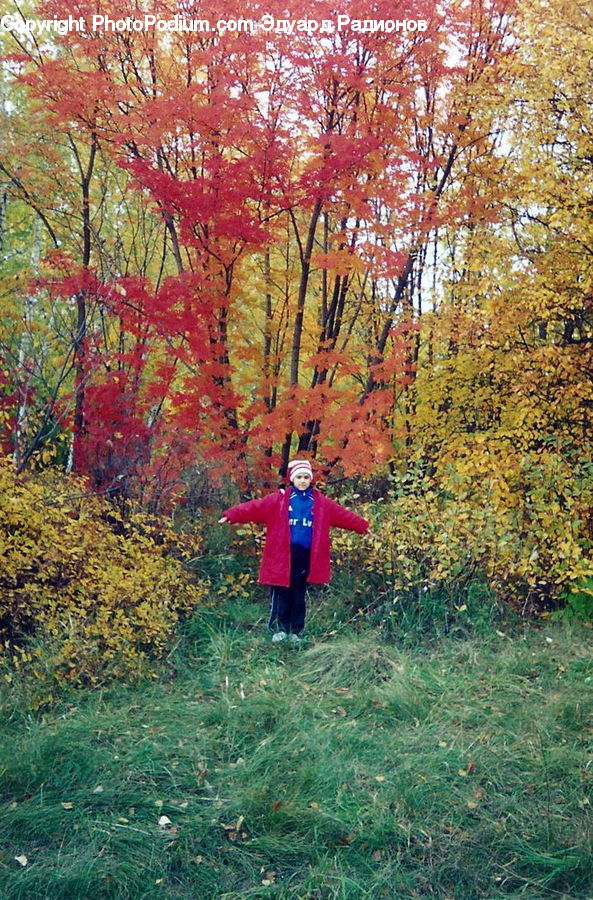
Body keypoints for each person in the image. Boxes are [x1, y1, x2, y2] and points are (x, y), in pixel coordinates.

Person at [218, 460, 369, 642]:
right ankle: (281, 629)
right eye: (299, 477)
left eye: (306, 477)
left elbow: (343, 515)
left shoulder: (320, 503)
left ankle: (296, 631)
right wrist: (232, 515)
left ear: (310, 480)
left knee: (298, 593)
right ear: (292, 479)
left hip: (304, 556)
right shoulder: (280, 500)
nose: (303, 481)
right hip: (283, 555)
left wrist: (362, 526)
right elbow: (255, 507)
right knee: (282, 591)